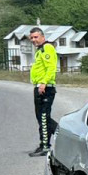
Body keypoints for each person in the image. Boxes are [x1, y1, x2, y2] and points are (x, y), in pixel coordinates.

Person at [28, 27, 58, 156]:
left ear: (42, 37)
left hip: (45, 88)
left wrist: (44, 83)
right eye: (32, 37)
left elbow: (51, 67)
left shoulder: (47, 48)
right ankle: (61, 134)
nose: (34, 40)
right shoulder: (39, 51)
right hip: (40, 86)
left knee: (44, 118)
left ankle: (45, 146)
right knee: (41, 117)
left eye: (36, 37)